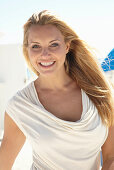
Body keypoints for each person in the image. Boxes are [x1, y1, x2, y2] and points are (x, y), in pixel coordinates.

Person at [0, 10, 114, 170]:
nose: (45, 54)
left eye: (54, 44)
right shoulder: (20, 106)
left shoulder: (98, 91)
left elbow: (110, 157)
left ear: (67, 46)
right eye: (35, 46)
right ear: (27, 50)